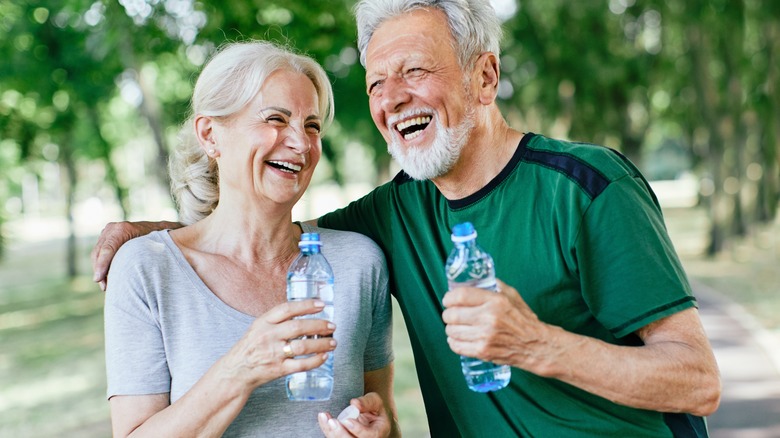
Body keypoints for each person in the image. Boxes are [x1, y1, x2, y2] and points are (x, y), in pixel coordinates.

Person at [93, 1, 722, 436]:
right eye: (375, 83)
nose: (392, 99)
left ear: (484, 76)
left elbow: (697, 381)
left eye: (414, 71)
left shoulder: (587, 187)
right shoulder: (392, 215)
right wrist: (150, 237)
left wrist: (538, 345)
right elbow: (260, 228)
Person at [102, 40, 398, 437]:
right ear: (210, 134)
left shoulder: (359, 263)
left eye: (312, 126)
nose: (301, 143)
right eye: (276, 119)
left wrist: (383, 431)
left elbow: (388, 420)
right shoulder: (146, 270)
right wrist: (240, 369)